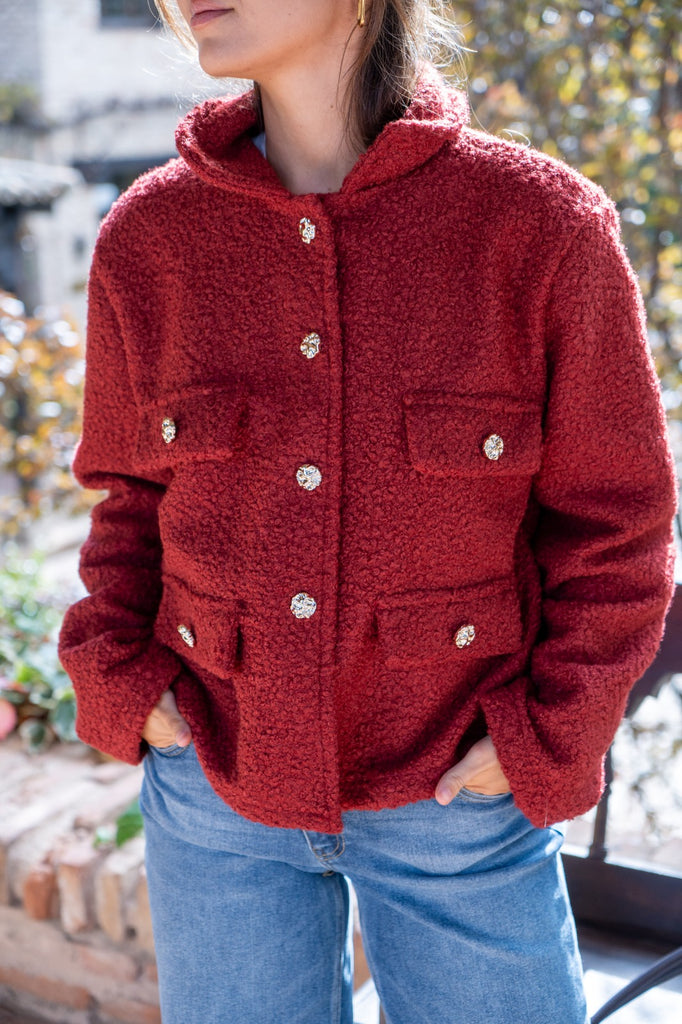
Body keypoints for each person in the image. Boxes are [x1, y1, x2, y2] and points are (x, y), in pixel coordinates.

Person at [57, 2, 678, 1022]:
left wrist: (546, 737)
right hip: (213, 784)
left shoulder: (538, 226)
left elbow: (617, 526)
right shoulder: (150, 238)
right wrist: (123, 682)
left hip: (458, 800)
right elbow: (129, 500)